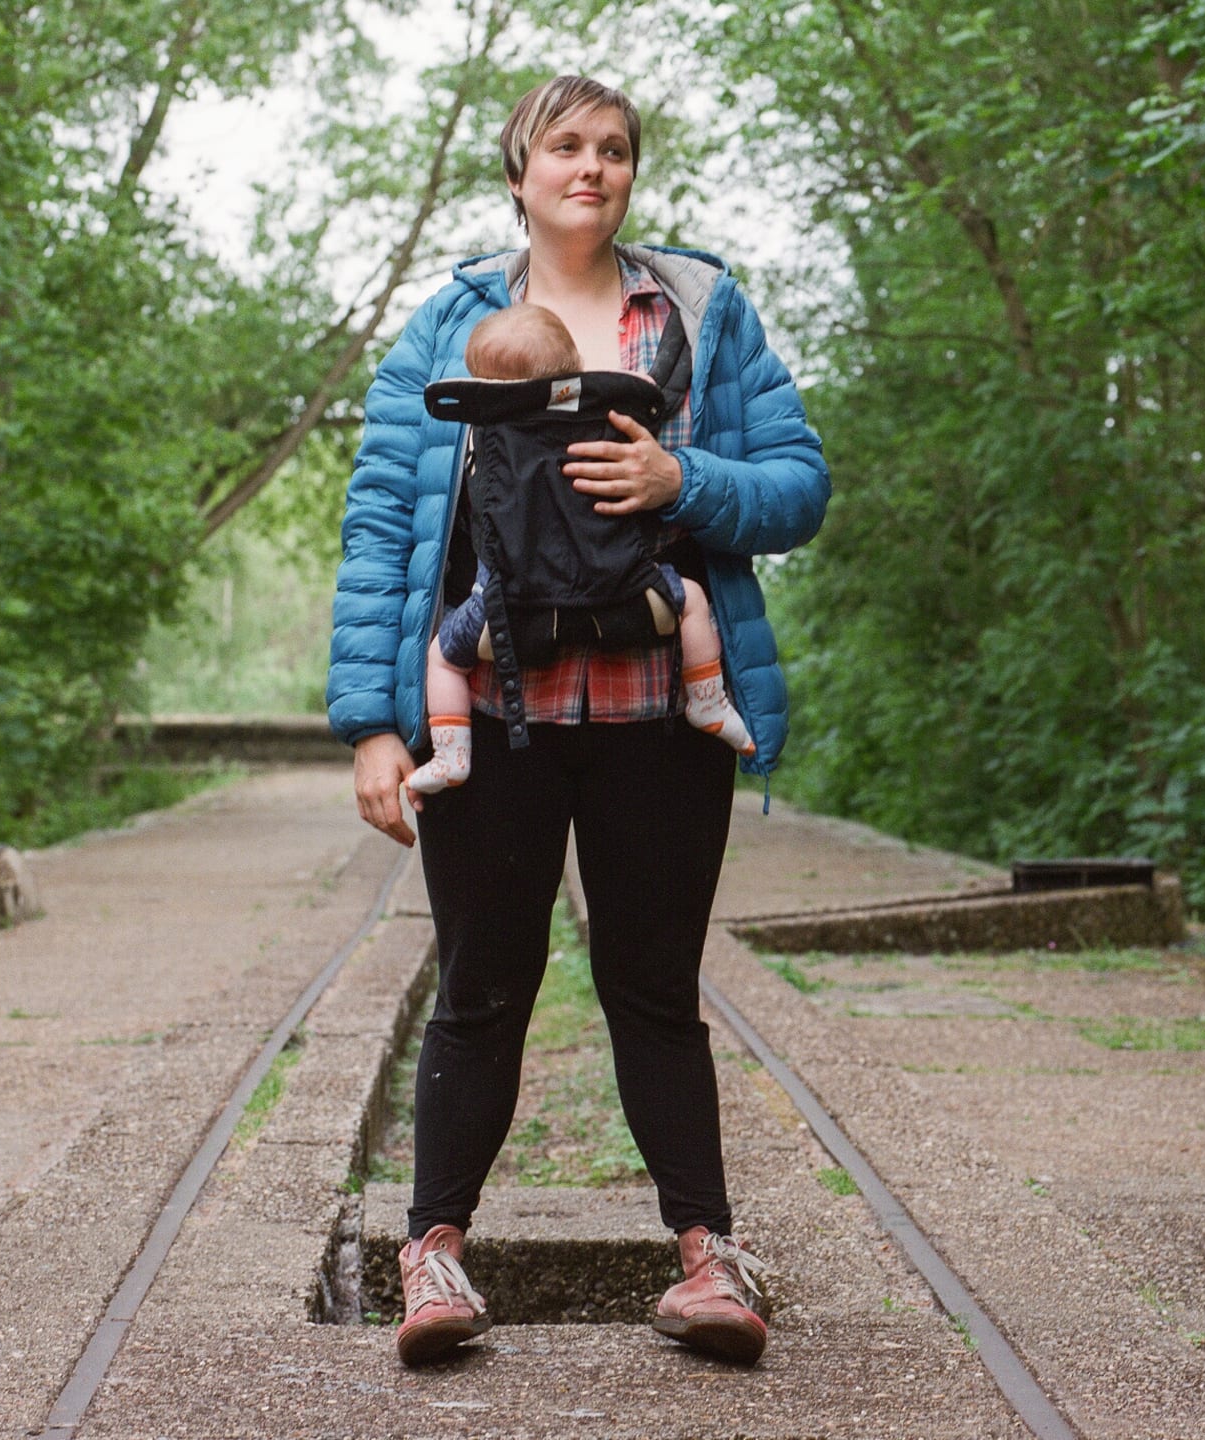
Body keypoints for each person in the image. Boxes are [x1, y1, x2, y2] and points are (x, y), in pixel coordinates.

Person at [325, 74, 828, 1368]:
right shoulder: (445, 324)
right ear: (520, 169)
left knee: (653, 986)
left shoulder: (704, 315)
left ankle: (708, 1260)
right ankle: (434, 1257)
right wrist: (375, 728)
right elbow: (383, 529)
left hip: (660, 707)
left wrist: (684, 476)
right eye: (566, 146)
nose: (590, 167)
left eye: (613, 148)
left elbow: (797, 487)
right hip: (493, 711)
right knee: (482, 986)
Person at [404, 302, 754, 802]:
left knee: (443, 657)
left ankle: (452, 754)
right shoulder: (612, 409)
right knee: (693, 600)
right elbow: (662, 388)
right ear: (572, 366)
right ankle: (707, 699)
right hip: (626, 590)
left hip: (502, 609)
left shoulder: (489, 429)